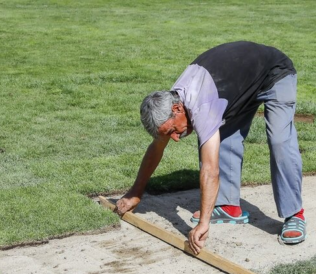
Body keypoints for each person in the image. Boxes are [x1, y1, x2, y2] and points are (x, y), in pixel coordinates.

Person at [115, 41, 305, 254]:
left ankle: (295, 214)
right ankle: (228, 207)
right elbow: (157, 148)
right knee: (221, 136)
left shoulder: (201, 105)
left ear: (177, 109)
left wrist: (203, 224)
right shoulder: (172, 103)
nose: (175, 139)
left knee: (280, 139)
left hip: (274, 73)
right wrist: (135, 192)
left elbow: (210, 169)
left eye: (172, 131)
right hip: (240, 85)